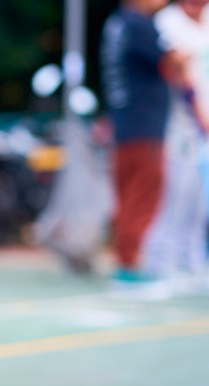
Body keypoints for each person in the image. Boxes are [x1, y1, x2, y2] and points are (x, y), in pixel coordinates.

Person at [100, 0, 182, 290]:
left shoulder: (116, 24)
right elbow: (170, 62)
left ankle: (125, 260)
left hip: (124, 123)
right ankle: (129, 264)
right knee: (142, 194)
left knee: (127, 195)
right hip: (144, 125)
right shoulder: (139, 24)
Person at [143, 0, 209, 291]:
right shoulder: (167, 22)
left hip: (201, 124)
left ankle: (192, 258)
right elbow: (176, 70)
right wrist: (199, 114)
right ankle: (160, 260)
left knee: (199, 196)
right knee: (174, 193)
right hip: (177, 124)